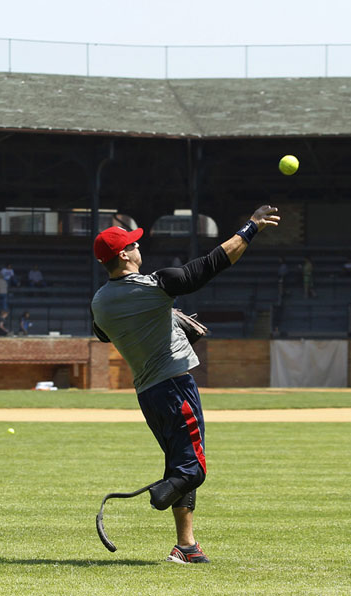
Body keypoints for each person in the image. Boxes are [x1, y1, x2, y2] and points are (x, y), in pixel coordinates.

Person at [91, 204, 280, 565]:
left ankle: (186, 546)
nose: (138, 247)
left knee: (179, 462)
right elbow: (211, 264)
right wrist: (251, 227)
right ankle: (159, 496)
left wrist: (169, 322)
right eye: (132, 244)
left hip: (148, 394)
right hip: (175, 388)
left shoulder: (99, 303)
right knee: (193, 470)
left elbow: (104, 334)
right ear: (124, 255)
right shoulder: (155, 285)